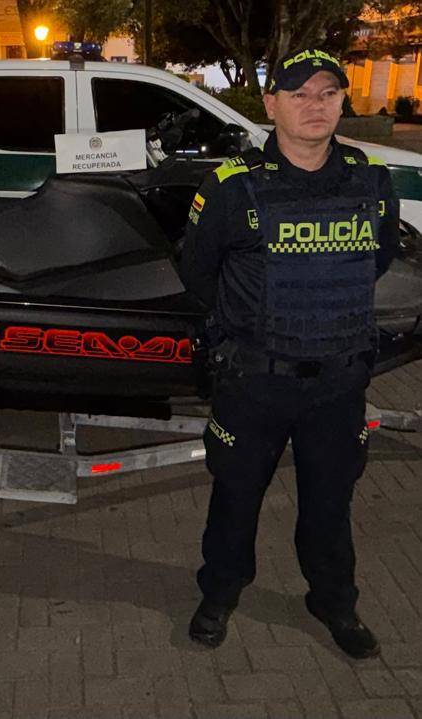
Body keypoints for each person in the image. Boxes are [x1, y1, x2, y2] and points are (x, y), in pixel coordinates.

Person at [179, 49, 399, 659]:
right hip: (254, 381)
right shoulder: (230, 186)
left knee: (330, 504)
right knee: (235, 498)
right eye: (298, 93)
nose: (314, 105)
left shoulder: (371, 180)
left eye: (327, 93)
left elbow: (375, 261)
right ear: (270, 104)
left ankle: (334, 604)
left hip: (338, 382)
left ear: (342, 103)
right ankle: (219, 594)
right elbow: (198, 272)